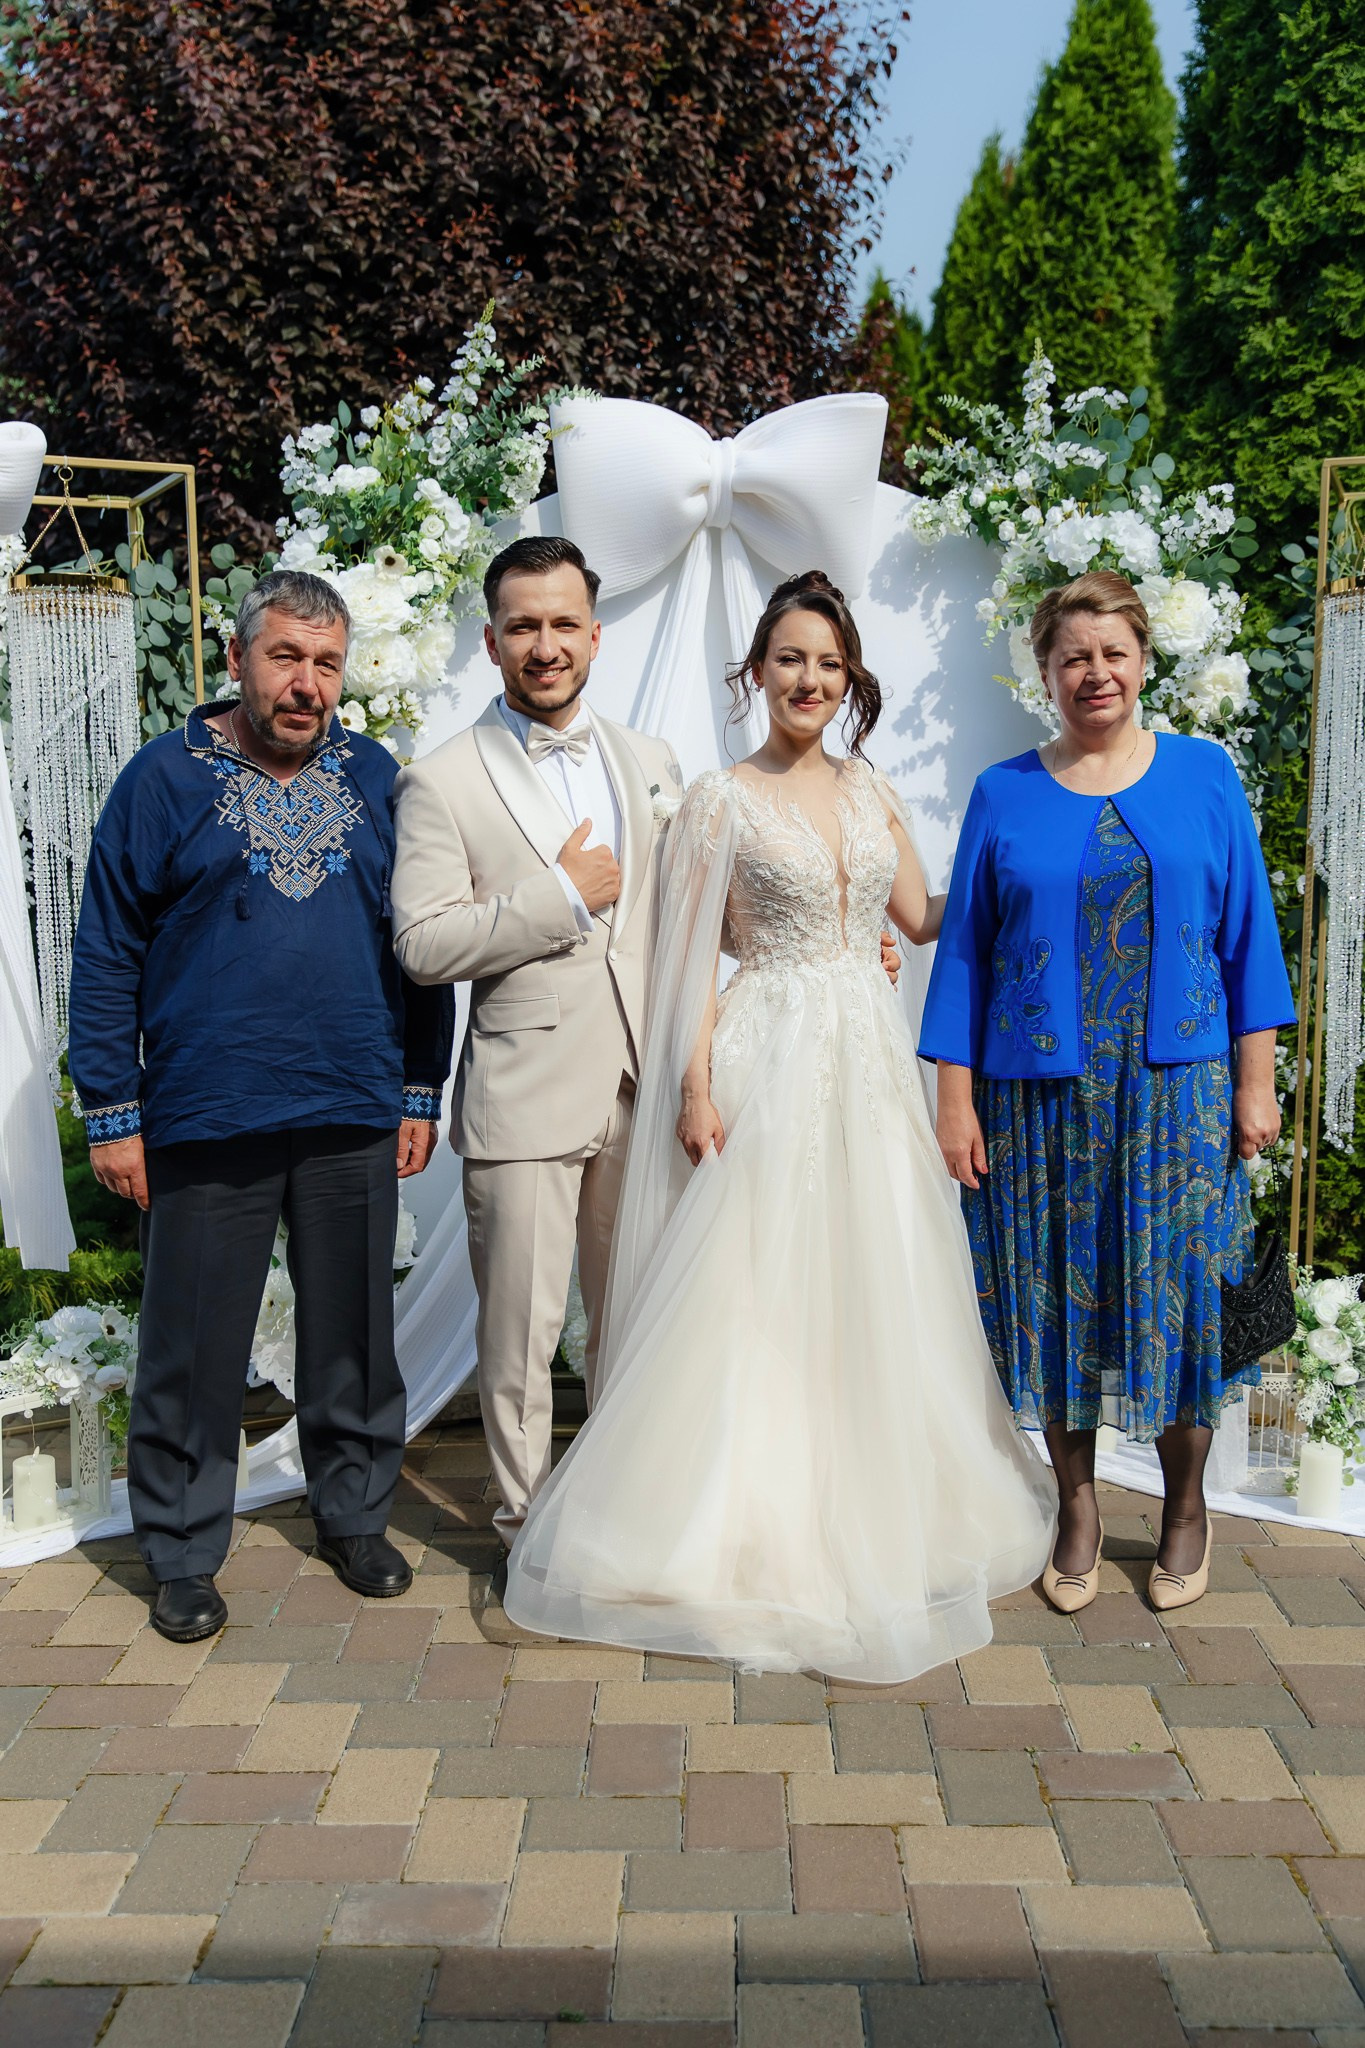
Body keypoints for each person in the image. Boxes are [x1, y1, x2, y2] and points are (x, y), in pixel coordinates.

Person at [501, 570, 1056, 1682]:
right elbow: (684, 957)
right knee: (758, 1285)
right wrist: (694, 1089)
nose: (809, 678)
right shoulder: (719, 798)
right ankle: (739, 1517)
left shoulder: (870, 785)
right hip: (768, 1051)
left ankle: (887, 1504)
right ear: (756, 669)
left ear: (850, 680)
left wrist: (1020, 849)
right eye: (791, 658)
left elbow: (919, 917)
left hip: (868, 1062)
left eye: (829, 663)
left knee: (877, 1273)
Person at [68, 570, 454, 1643]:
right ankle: (182, 1550)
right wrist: (112, 1107)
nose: (306, 684)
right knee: (192, 1343)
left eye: (326, 664)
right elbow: (106, 949)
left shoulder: (375, 777)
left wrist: (421, 1083)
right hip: (207, 1106)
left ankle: (355, 1514)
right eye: (286, 657)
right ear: (236, 659)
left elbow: (422, 938)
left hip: (352, 1101)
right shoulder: (161, 779)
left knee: (355, 1333)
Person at [920, 570, 1294, 1616]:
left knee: (1181, 1295)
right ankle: (1076, 1508)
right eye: (1073, 656)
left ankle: (1185, 1508)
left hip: (1177, 1095)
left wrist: (1256, 1081)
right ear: (1043, 672)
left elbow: (1248, 936)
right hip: (1038, 1102)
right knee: (1051, 1296)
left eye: (1113, 653)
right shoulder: (1003, 791)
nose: (1095, 672)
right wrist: (954, 1100)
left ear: (1142, 662)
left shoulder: (1204, 775)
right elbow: (965, 955)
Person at [390, 536, 684, 1593]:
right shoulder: (441, 779)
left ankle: (617, 1512)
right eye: (524, 626)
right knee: (522, 1334)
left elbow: (679, 915)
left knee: (632, 1320)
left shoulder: (652, 760)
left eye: (564, 624)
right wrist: (557, 897)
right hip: (522, 1093)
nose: (545, 645)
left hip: (643, 1082)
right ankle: (527, 1533)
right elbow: (422, 943)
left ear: (595, 635)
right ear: (491, 640)